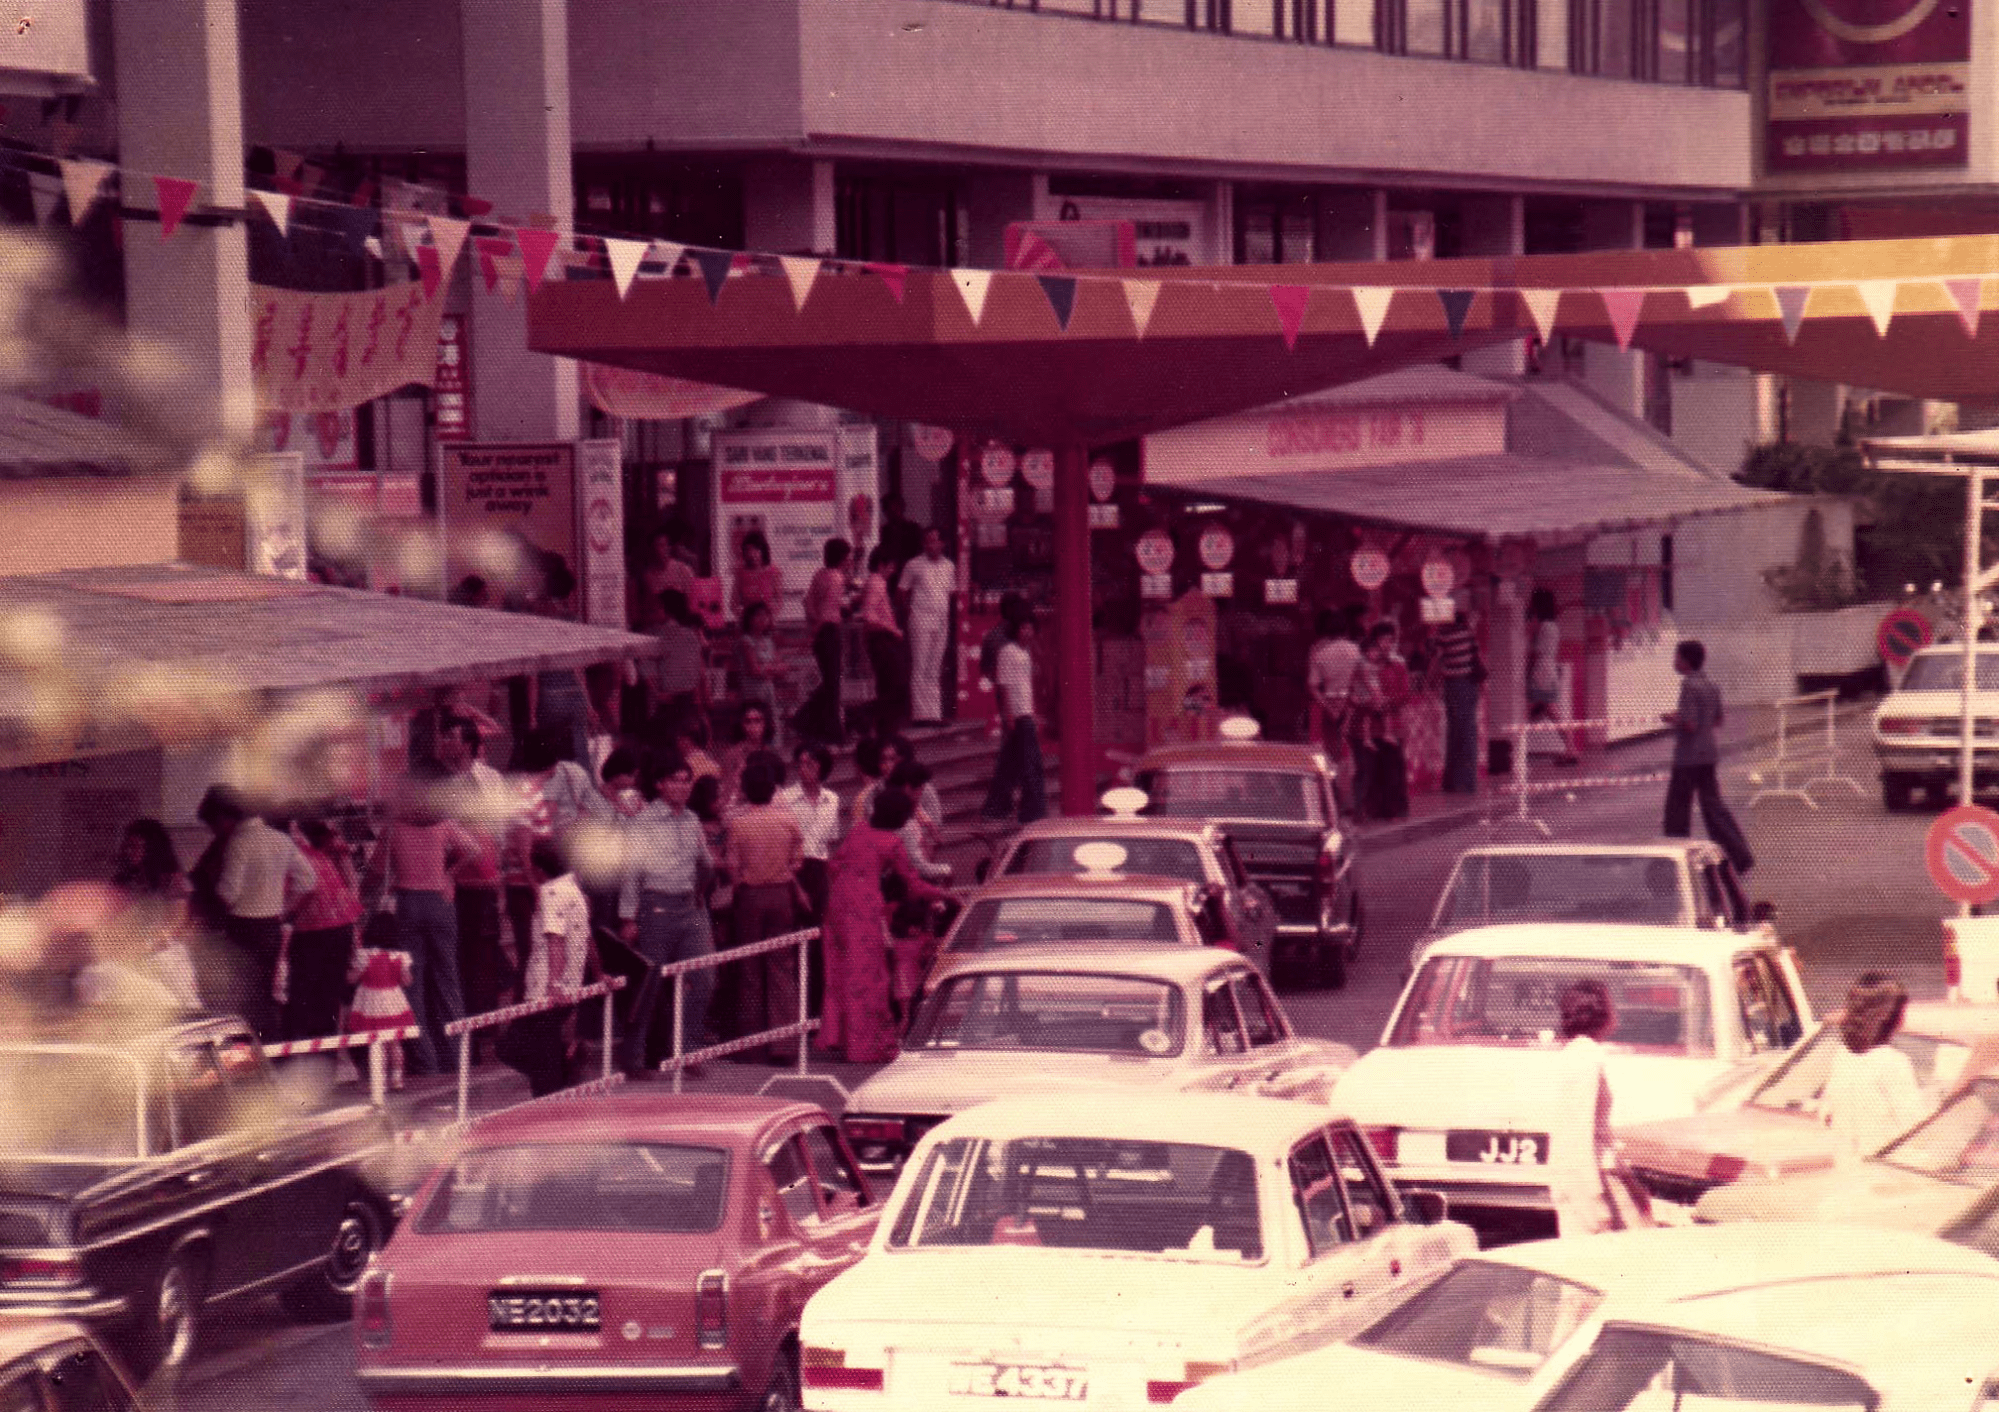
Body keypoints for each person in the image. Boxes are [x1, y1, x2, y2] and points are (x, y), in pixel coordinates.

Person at [821, 789, 952, 1063]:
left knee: (840, 972)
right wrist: (944, 894)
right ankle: (862, 1047)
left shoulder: (857, 830)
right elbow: (913, 884)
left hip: (837, 905)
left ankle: (841, 1038)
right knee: (868, 977)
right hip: (865, 907)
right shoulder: (892, 842)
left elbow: (834, 865)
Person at [364, 768, 480, 1076]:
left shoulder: (396, 827)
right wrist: (448, 875)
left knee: (411, 987)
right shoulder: (443, 823)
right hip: (440, 902)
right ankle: (456, 1059)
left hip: (408, 901)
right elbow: (473, 850)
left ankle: (424, 1060)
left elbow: (376, 869)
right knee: (448, 981)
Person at [619, 754, 716, 1078]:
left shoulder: (692, 820)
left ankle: (687, 1050)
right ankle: (634, 1058)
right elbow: (631, 871)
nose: (682, 786)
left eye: (686, 780)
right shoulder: (643, 822)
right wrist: (629, 917)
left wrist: (701, 890)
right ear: (660, 785)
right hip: (654, 907)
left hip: (689, 908)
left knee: (703, 979)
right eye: (675, 780)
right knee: (649, 984)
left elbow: (705, 864)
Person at [213, 791, 317, 1042]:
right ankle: (271, 1051)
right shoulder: (281, 840)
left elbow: (229, 893)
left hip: (242, 927)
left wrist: (213, 894)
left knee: (243, 995)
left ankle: (248, 1052)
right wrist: (285, 908)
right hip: (271, 926)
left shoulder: (238, 842)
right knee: (268, 994)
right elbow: (308, 880)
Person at [1551, 977, 1652, 1235]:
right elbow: (1576, 1133)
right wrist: (1592, 1201)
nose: (1614, 1011)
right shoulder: (1585, 1058)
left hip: (1593, 1177)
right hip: (1588, 1183)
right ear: (1599, 1014)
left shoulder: (1576, 1053)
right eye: (1611, 1005)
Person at [435, 715, 515, 1024]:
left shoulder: (491, 779)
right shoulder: (441, 783)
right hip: (454, 876)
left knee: (485, 947)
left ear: (468, 744)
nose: (446, 744)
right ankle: (466, 1018)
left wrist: (500, 871)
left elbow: (500, 826)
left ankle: (485, 1021)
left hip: (487, 875)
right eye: (443, 739)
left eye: (451, 738)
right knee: (461, 951)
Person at [500, 838, 595, 1098]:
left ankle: (560, 1076)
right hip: (571, 982)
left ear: (540, 870)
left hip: (547, 985)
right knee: (543, 1047)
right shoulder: (576, 892)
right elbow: (587, 938)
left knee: (511, 1047)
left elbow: (555, 941)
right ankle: (561, 1073)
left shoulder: (551, 893)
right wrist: (596, 973)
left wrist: (553, 984)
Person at [725, 762, 808, 1058]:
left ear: (746, 791)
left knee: (749, 967)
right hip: (781, 894)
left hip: (750, 895)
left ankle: (752, 1044)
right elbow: (798, 862)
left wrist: (742, 883)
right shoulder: (788, 821)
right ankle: (784, 1044)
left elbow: (733, 867)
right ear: (774, 789)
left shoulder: (739, 825)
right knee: (782, 967)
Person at [1662, 639, 1755, 874]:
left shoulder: (1688, 686)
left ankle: (1673, 857)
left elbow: (1690, 724)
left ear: (1685, 661)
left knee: (1677, 809)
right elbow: (1717, 720)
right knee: (1713, 807)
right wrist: (1686, 717)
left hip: (1688, 756)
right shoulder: (1712, 685)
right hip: (1709, 753)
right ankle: (1739, 854)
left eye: (1676, 657)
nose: (1674, 661)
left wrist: (1673, 719)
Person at [1821, 972, 1923, 1160]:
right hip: (1885, 1172)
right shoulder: (1894, 1063)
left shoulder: (1842, 1056)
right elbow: (1916, 1130)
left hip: (1846, 1166)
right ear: (1893, 1018)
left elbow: (1826, 1115)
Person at [284, 817, 364, 1041]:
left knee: (302, 1000)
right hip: (341, 930)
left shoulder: (298, 856)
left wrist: (284, 914)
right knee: (329, 1000)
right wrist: (344, 856)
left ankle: (300, 1058)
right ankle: (327, 1059)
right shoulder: (322, 858)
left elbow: (300, 892)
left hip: (312, 932)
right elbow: (353, 893)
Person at [109, 818, 201, 1012]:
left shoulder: (173, 880)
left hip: (167, 957)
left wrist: (148, 945)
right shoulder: (124, 880)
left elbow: (177, 922)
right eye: (128, 845)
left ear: (152, 849)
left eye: (136, 846)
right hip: (133, 955)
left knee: (184, 1009)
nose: (129, 851)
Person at [982, 615, 1047, 824]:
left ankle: (996, 807)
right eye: (1024, 628)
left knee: (1009, 765)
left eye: (1030, 628)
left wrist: (1033, 711)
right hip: (1017, 718)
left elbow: (1025, 686)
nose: (1027, 633)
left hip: (1026, 714)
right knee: (1030, 765)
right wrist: (1008, 716)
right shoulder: (1008, 652)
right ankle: (1031, 811)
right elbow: (1004, 686)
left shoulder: (1024, 652)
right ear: (1016, 630)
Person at [345, 916, 417, 1091]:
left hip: (371, 1003)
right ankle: (397, 1079)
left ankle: (380, 1080)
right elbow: (407, 981)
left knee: (377, 1043)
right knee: (394, 1043)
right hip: (394, 1002)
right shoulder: (400, 956)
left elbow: (352, 978)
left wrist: (349, 970)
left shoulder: (365, 955)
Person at [799, 538, 855, 744]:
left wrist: (814, 629)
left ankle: (807, 721)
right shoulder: (837, 579)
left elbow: (809, 603)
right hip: (829, 630)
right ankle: (829, 730)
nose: (850, 560)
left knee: (830, 682)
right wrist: (819, 628)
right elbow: (827, 611)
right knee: (833, 684)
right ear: (842, 557)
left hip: (821, 631)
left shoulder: (820, 575)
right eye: (848, 556)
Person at [900, 526, 956, 725]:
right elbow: (902, 592)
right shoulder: (913, 565)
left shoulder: (949, 566)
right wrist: (912, 613)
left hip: (941, 619)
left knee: (935, 666)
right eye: (927, 541)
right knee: (920, 664)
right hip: (920, 617)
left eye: (934, 541)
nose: (930, 545)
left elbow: (950, 593)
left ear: (942, 543)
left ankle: (934, 714)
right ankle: (920, 714)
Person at [1429, 607, 1484, 795]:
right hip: (1468, 685)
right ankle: (1467, 782)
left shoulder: (1442, 636)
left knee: (1454, 733)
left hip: (1452, 686)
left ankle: (1451, 781)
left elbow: (1436, 662)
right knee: (1467, 733)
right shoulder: (1468, 634)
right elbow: (1477, 658)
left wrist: (1430, 682)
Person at [859, 544, 909, 734]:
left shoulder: (876, 582)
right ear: (881, 565)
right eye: (890, 567)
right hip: (882, 640)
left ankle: (885, 730)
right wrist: (894, 630)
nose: (892, 571)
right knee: (897, 689)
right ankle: (862, 713)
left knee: (888, 687)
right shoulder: (876, 583)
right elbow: (870, 617)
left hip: (882, 640)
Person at [1526, 588, 1577, 765]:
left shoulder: (1544, 627)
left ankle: (1514, 752)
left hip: (1542, 671)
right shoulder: (1553, 625)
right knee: (1553, 712)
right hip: (1549, 672)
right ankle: (1571, 749)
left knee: (1526, 712)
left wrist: (1531, 632)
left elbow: (1537, 652)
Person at [1307, 608, 1362, 753]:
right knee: (1351, 752)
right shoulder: (1356, 651)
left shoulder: (1319, 651)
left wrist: (1329, 708)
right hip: (1351, 706)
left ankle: (1333, 774)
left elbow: (1313, 687)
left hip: (1329, 705)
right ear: (1346, 630)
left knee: (1328, 752)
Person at [652, 588, 708, 726]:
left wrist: (657, 692)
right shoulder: (688, 635)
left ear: (666, 609)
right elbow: (696, 669)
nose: (654, 611)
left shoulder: (658, 634)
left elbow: (648, 668)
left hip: (669, 696)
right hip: (684, 695)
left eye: (657, 607)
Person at [736, 602, 784, 744]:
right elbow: (753, 670)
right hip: (752, 691)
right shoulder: (746, 641)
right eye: (758, 615)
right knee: (755, 725)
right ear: (749, 619)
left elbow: (782, 668)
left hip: (768, 689)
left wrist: (768, 669)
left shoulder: (769, 641)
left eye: (765, 615)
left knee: (770, 723)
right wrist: (772, 669)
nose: (763, 619)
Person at [730, 531, 783, 620]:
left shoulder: (773, 571)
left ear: (763, 550)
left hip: (767, 622)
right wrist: (742, 618)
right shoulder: (741, 572)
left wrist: (771, 618)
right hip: (747, 623)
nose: (751, 553)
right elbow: (733, 603)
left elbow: (779, 601)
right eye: (747, 550)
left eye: (755, 549)